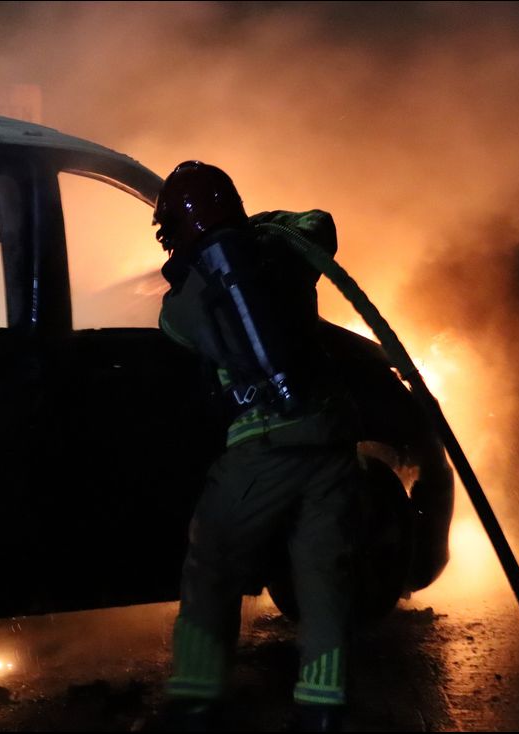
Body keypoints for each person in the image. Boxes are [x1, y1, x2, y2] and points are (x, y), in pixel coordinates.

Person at [154, 161, 360, 731]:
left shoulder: (185, 301)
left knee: (211, 562)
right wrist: (266, 228)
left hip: (265, 446)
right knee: (323, 576)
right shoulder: (286, 254)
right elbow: (319, 224)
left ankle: (194, 702)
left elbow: (172, 329)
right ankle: (323, 709)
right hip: (332, 438)